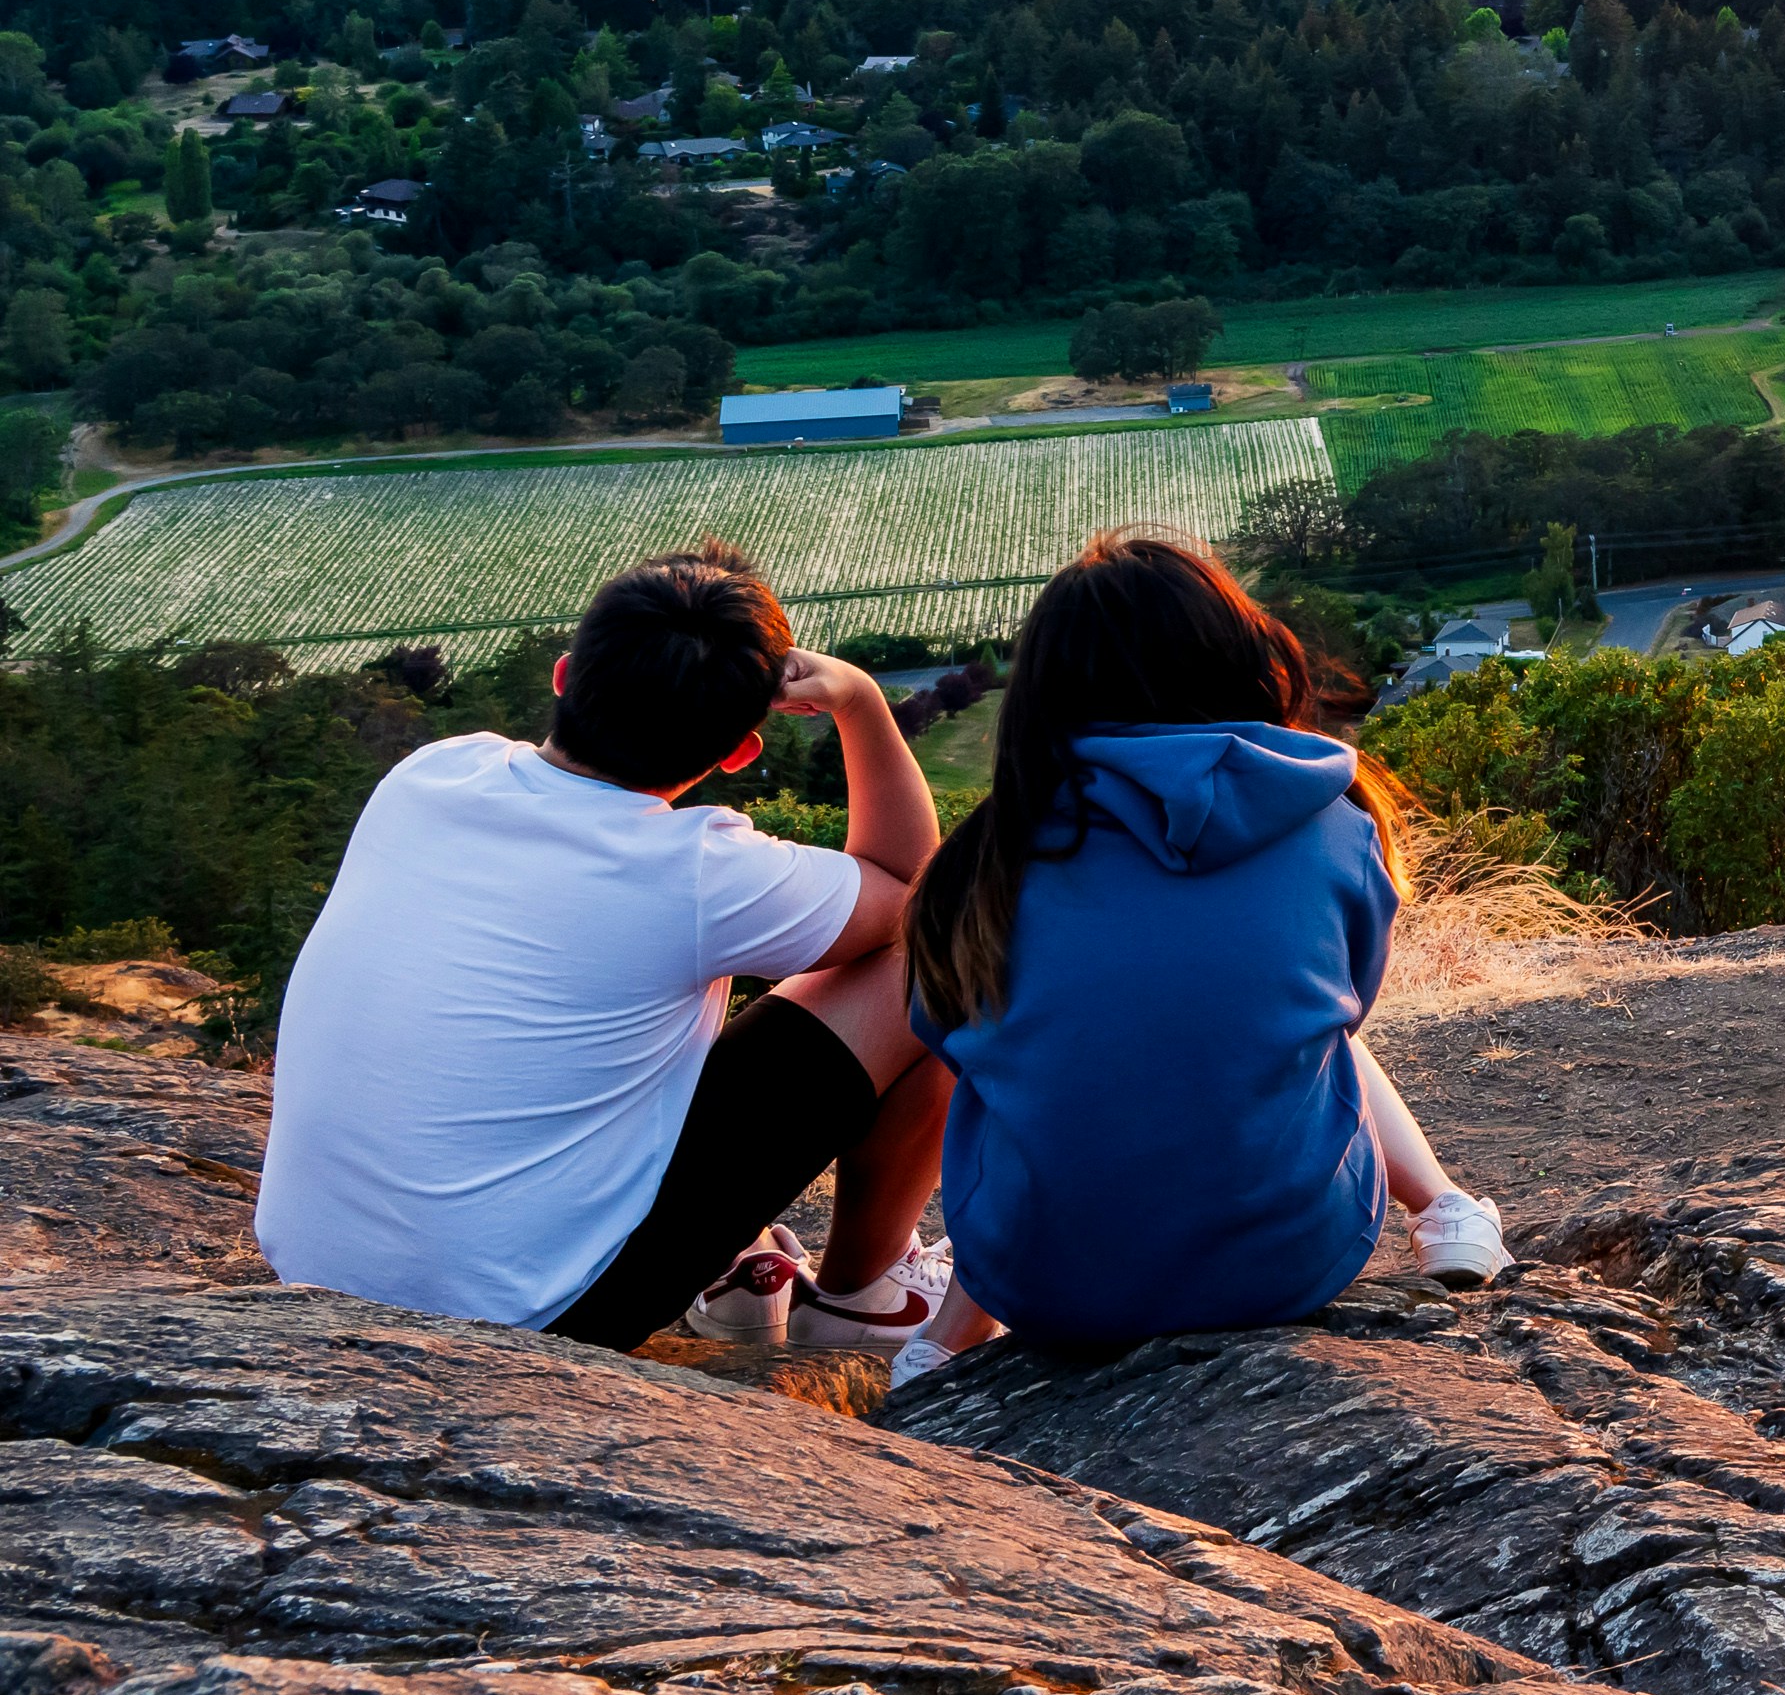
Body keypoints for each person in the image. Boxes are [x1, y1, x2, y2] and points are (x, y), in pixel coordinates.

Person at [255, 544, 956, 1352]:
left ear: (563, 676)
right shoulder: (695, 873)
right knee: (938, 968)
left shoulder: (431, 774)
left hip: (313, 1266)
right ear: (739, 751)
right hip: (533, 1313)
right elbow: (912, 894)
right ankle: (860, 1296)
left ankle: (740, 1268)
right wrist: (862, 704)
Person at [889, 527, 1502, 1388]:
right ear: (1239, 657)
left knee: (1038, 1068)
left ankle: (943, 1343)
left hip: (1048, 1288)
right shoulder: (1330, 818)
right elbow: (1346, 1004)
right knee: (1307, 1036)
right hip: (1283, 1266)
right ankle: (1445, 1210)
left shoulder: (983, 862)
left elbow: (948, 1034)